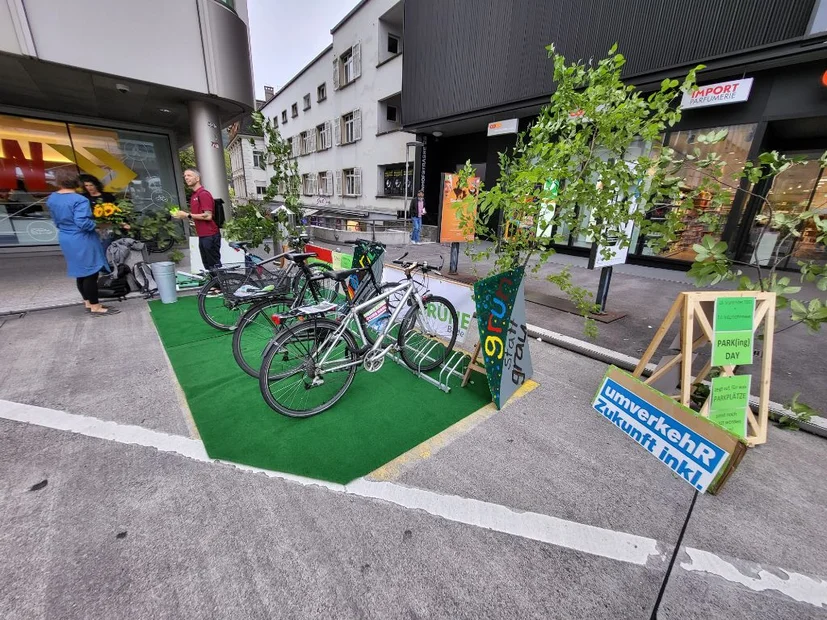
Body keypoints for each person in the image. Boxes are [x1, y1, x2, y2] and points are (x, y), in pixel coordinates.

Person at [47, 169, 119, 315]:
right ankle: (95, 306)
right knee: (90, 273)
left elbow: (56, 220)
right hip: (82, 238)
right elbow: (83, 223)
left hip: (66, 237)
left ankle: (88, 302)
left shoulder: (52, 198)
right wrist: (99, 226)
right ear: (76, 182)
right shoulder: (79, 200)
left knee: (80, 272)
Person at [174, 168, 222, 273]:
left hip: (210, 235)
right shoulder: (194, 195)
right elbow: (198, 216)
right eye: (185, 176)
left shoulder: (203, 194)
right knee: (207, 264)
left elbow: (208, 216)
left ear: (197, 178)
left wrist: (187, 215)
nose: (186, 178)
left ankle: (221, 287)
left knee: (213, 263)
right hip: (203, 235)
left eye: (189, 175)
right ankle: (215, 286)